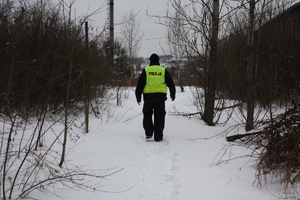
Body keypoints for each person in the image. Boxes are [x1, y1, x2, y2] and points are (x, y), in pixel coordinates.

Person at [135, 53, 176, 142]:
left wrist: (138, 97)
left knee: (147, 115)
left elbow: (140, 85)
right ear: (158, 61)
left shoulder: (146, 70)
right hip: (160, 98)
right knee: (159, 117)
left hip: (148, 98)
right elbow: (171, 83)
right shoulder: (163, 70)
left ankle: (149, 133)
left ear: (150, 61)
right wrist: (173, 94)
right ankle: (158, 136)